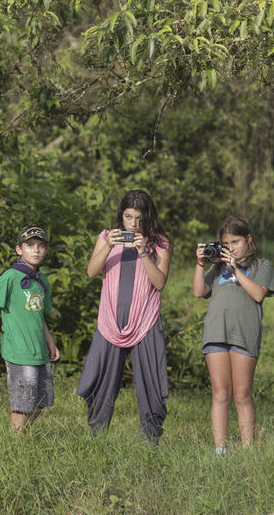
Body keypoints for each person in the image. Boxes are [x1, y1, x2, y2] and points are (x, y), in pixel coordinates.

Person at [77, 190, 172, 443]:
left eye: (139, 218)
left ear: (147, 217)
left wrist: (144, 253)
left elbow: (160, 283)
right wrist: (109, 245)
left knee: (151, 382)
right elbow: (91, 272)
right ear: (122, 214)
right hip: (109, 320)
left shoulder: (159, 243)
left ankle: (150, 441)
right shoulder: (108, 237)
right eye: (128, 216)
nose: (133, 223)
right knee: (101, 378)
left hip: (146, 321)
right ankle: (97, 438)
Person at [192, 216, 274, 453]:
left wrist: (236, 268)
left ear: (248, 239)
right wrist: (200, 263)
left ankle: (248, 450)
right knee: (220, 392)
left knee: (242, 394)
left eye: (236, 242)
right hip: (216, 331)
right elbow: (199, 291)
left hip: (244, 334)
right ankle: (220, 449)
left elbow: (258, 294)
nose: (231, 249)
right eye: (226, 244)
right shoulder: (217, 267)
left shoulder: (262, 266)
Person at [0, 226, 60, 432]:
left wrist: (50, 341)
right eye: (30, 245)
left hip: (39, 351)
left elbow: (38, 315)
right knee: (22, 404)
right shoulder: (11, 277)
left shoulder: (41, 281)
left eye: (41, 246)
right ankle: (14, 443)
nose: (36, 250)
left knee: (42, 400)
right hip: (18, 350)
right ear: (19, 249)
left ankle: (21, 432)